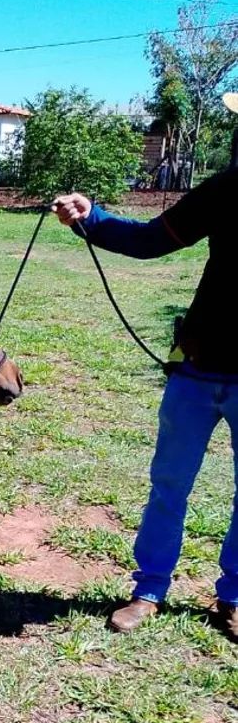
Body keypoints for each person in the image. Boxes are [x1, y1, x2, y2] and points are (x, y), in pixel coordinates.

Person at [52, 91, 238, 636]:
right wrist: (92, 218)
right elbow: (152, 240)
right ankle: (149, 589)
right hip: (197, 368)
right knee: (168, 485)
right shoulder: (225, 190)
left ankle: (233, 596)